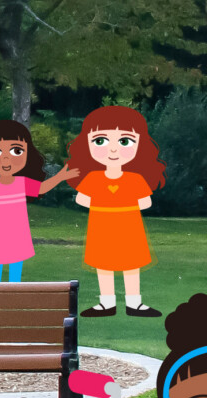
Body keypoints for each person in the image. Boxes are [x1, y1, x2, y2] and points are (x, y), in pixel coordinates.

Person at [62, 104, 163, 318]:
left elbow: (146, 203)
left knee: (131, 265)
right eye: (101, 141)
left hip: (129, 227)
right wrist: (110, 204)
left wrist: (116, 204)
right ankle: (106, 303)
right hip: (102, 228)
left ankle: (134, 303)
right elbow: (82, 199)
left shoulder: (135, 179)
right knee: (104, 266)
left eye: (124, 141)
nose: (113, 149)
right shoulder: (93, 178)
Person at [0, 117, 76, 282]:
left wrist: (60, 177)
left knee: (15, 269)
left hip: (17, 234)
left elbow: (42, 188)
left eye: (16, 151)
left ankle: (14, 294)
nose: (5, 159)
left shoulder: (22, 183)